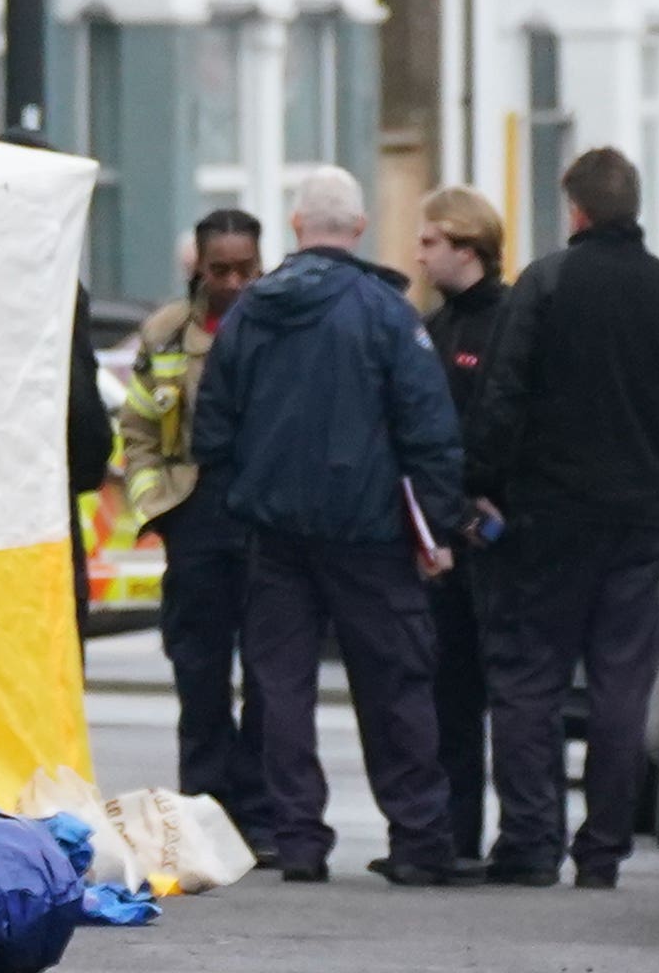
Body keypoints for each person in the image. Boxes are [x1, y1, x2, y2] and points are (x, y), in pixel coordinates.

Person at [188, 161, 467, 887]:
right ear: (362, 228)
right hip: (370, 533)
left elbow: (211, 426)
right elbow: (429, 428)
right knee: (394, 683)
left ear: (295, 228)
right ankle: (417, 837)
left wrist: (244, 494)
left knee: (281, 686)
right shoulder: (385, 314)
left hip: (273, 533)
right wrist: (432, 528)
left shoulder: (251, 311)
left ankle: (298, 837)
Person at [466, 144, 659, 888]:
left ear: (575, 210)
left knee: (530, 680)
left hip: (544, 516)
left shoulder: (546, 285)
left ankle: (529, 840)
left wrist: (487, 483)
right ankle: (603, 848)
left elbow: (501, 398)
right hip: (637, 517)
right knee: (621, 683)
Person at [113, 210, 265, 825]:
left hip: (263, 516)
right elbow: (140, 428)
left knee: (269, 674)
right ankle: (205, 806)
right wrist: (159, 508)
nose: (232, 282)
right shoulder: (167, 332)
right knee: (199, 671)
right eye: (219, 269)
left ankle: (261, 810)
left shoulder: (281, 323)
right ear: (197, 266)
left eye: (244, 269)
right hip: (194, 515)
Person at [411, 186, 519, 871]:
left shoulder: (506, 323)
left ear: (467, 246)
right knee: (448, 692)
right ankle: (456, 835)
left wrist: (490, 503)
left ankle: (516, 836)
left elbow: (506, 422)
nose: (418, 256)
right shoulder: (434, 326)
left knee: (507, 693)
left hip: (498, 535)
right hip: (445, 536)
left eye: (429, 243)